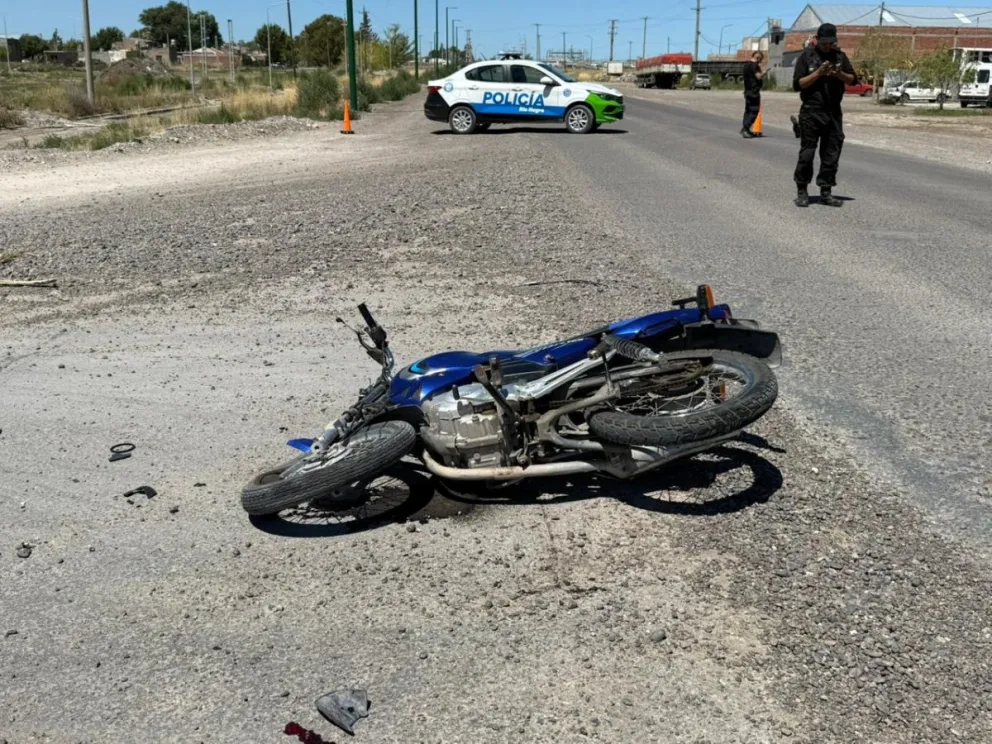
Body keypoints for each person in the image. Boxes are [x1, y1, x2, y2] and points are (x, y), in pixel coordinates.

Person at [792, 23, 858, 207]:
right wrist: (818, 73)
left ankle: (826, 191)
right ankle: (802, 190)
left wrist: (839, 74)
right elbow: (798, 84)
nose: (827, 46)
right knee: (807, 153)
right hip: (811, 111)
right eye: (824, 43)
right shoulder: (807, 57)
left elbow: (853, 79)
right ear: (817, 40)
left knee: (831, 153)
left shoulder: (839, 56)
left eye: (830, 43)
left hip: (833, 112)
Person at [740, 51, 765, 138]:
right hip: (753, 92)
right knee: (754, 110)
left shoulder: (746, 65)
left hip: (747, 91)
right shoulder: (755, 66)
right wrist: (763, 73)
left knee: (748, 111)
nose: (760, 62)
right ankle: (745, 129)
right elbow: (758, 76)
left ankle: (745, 128)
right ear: (758, 58)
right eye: (760, 60)